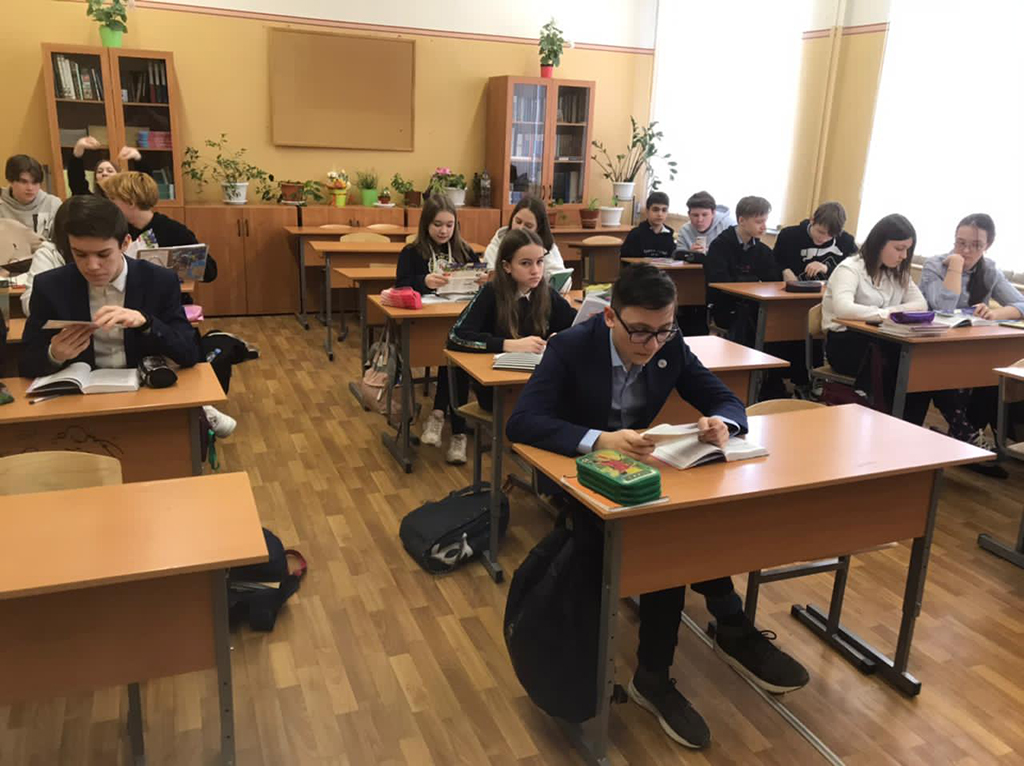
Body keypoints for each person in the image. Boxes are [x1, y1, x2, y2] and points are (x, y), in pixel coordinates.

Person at [506, 264, 809, 750]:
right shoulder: (570, 348)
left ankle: (724, 629)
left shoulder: (669, 342)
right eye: (640, 332)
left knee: (692, 520)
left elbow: (724, 399)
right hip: (578, 477)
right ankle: (673, 662)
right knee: (667, 536)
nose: (652, 344)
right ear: (610, 317)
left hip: (641, 476)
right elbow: (523, 422)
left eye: (663, 330)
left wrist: (723, 423)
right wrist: (599, 439)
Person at [20, 196, 200, 379]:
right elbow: (24, 362)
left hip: (145, 388)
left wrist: (146, 323)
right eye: (80, 254)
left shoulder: (159, 281)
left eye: (103, 254)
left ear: (125, 243)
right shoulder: (50, 287)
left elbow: (189, 353)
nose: (92, 266)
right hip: (80, 391)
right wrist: (54, 354)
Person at [920, 213, 1024, 475]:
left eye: (976, 245)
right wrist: (955, 267)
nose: (966, 251)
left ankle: (965, 436)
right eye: (960, 242)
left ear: (988, 245)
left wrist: (996, 314)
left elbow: (1021, 304)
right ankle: (965, 435)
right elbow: (943, 307)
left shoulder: (989, 271)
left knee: (994, 373)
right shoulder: (935, 265)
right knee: (945, 375)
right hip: (935, 347)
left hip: (972, 347)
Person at [396, 194, 483, 464]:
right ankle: (451, 424)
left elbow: (478, 279)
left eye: (449, 225)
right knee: (447, 359)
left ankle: (447, 423)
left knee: (455, 362)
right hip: (426, 322)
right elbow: (400, 285)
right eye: (437, 224)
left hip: (459, 319)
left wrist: (481, 279)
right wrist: (424, 281)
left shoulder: (464, 251)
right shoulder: (412, 252)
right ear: (426, 224)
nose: (444, 230)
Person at [821, 213, 931, 423]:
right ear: (880, 243)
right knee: (898, 360)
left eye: (907, 249)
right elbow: (844, 309)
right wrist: (887, 314)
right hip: (845, 345)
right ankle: (886, 419)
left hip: (882, 340)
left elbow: (920, 304)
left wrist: (888, 313)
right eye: (899, 248)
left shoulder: (897, 272)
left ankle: (906, 424)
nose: (904, 256)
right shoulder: (850, 268)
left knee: (919, 363)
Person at [449, 228, 576, 409]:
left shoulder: (546, 293)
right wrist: (508, 344)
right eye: (525, 263)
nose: (535, 271)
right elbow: (456, 337)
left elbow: (575, 325)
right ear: (507, 266)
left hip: (539, 382)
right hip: (498, 389)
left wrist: (561, 338)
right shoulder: (491, 293)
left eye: (540, 262)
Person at [703, 196, 779, 346]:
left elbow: (773, 279)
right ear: (742, 221)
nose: (764, 227)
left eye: (765, 221)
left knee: (774, 318)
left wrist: (748, 280)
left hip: (754, 305)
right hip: (725, 306)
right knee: (749, 318)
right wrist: (755, 281)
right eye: (759, 222)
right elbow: (720, 281)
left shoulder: (762, 250)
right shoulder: (720, 246)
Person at [483, 196, 566, 279]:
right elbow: (493, 277)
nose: (520, 228)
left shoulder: (547, 246)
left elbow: (563, 280)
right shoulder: (498, 242)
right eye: (518, 221)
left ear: (538, 229)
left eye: (528, 226)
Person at [775, 201, 857, 283]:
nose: (824, 239)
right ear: (812, 220)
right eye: (821, 232)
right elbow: (774, 261)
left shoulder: (846, 241)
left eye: (831, 235)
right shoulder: (788, 235)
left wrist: (826, 269)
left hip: (829, 290)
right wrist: (784, 270)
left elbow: (856, 269)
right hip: (790, 289)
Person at [1, 155, 62, 239]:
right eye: (24, 182)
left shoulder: (53, 204)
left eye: (35, 183)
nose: (30, 188)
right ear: (10, 181)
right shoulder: (2, 205)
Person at [67, 136, 145, 196]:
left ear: (118, 176)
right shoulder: (91, 201)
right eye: (99, 171)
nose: (104, 173)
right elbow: (77, 183)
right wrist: (79, 148)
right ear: (96, 179)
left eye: (110, 171)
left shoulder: (129, 199)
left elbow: (144, 186)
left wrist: (137, 157)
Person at [620, 191, 675, 259]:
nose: (660, 214)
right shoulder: (636, 234)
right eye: (655, 210)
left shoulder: (669, 235)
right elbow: (625, 260)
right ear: (647, 211)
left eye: (664, 210)